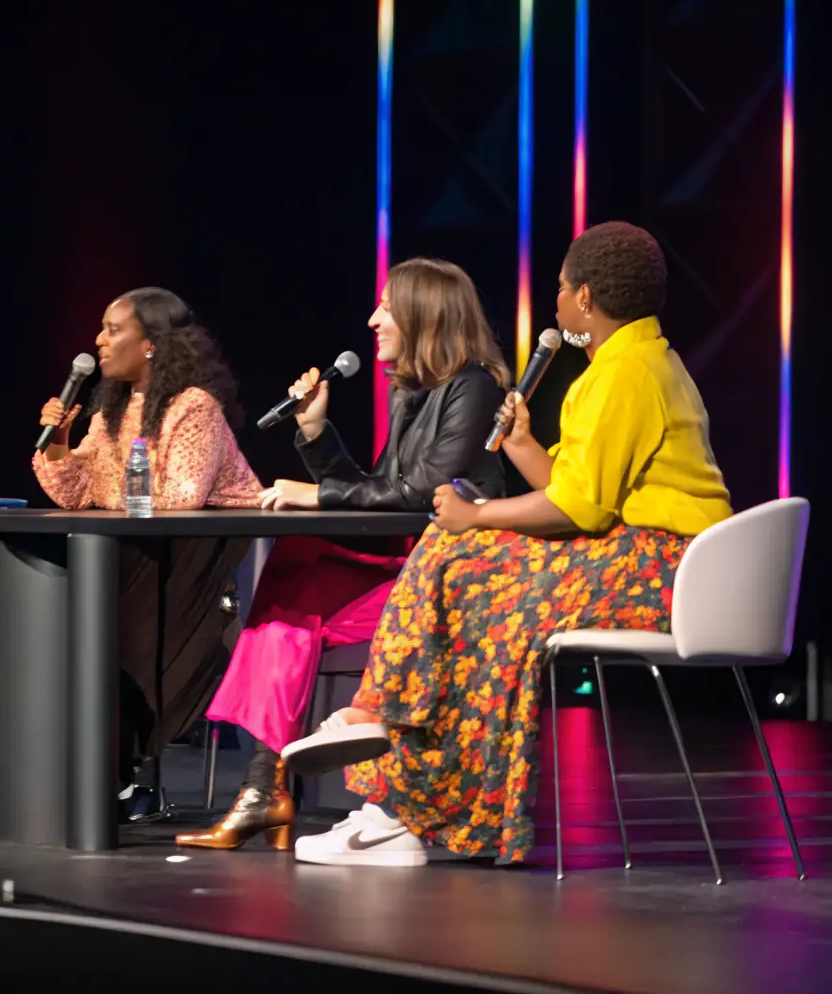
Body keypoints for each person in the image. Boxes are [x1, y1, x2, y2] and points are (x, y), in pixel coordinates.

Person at [280, 222, 733, 868]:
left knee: (458, 558)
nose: (553, 304)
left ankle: (383, 739)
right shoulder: (633, 363)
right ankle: (403, 799)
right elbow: (581, 489)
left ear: (584, 297)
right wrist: (522, 447)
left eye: (557, 290)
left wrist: (478, 513)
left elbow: (577, 508)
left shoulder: (623, 373)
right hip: (644, 557)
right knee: (473, 589)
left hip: (664, 567)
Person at [174, 257, 510, 851]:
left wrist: (317, 492)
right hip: (409, 565)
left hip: (452, 579)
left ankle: (264, 789)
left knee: (294, 592)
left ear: (423, 315)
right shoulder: (414, 392)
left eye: (387, 307)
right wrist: (315, 432)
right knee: (295, 578)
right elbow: (378, 497)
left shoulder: (475, 387)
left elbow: (419, 494)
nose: (374, 318)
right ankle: (265, 789)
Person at [33, 287, 261, 809]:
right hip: (143, 551)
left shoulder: (193, 405)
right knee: (86, 601)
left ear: (152, 344)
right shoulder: (112, 410)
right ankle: (111, 771)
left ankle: (121, 772)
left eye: (113, 330)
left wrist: (106, 491)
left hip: (201, 556)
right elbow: (74, 495)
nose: (98, 341)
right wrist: (62, 445)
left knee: (108, 614)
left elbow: (182, 497)